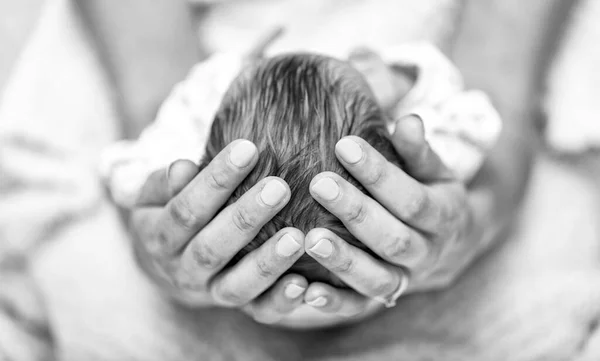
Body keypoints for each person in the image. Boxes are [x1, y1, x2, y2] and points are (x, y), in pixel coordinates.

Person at [75, 0, 574, 352]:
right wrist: (408, 78)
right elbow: (481, 119)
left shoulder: (196, 117)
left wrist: (150, 196)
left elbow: (130, 165)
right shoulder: (422, 135)